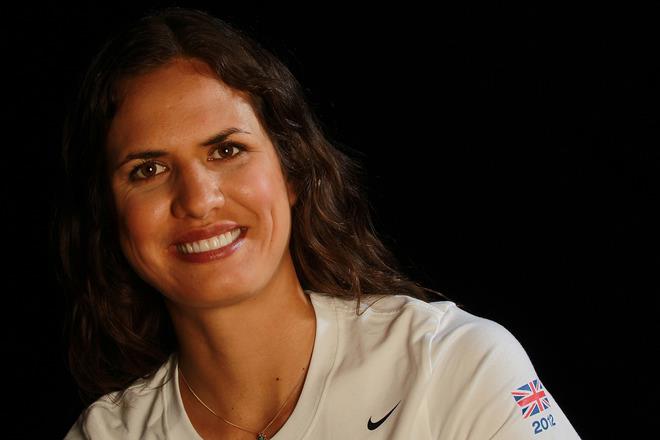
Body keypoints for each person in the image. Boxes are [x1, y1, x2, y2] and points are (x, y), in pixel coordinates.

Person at [55, 6, 581, 440]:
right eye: (148, 170)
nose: (198, 200)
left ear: (292, 172)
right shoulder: (106, 434)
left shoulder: (451, 364)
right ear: (108, 214)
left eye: (227, 150)